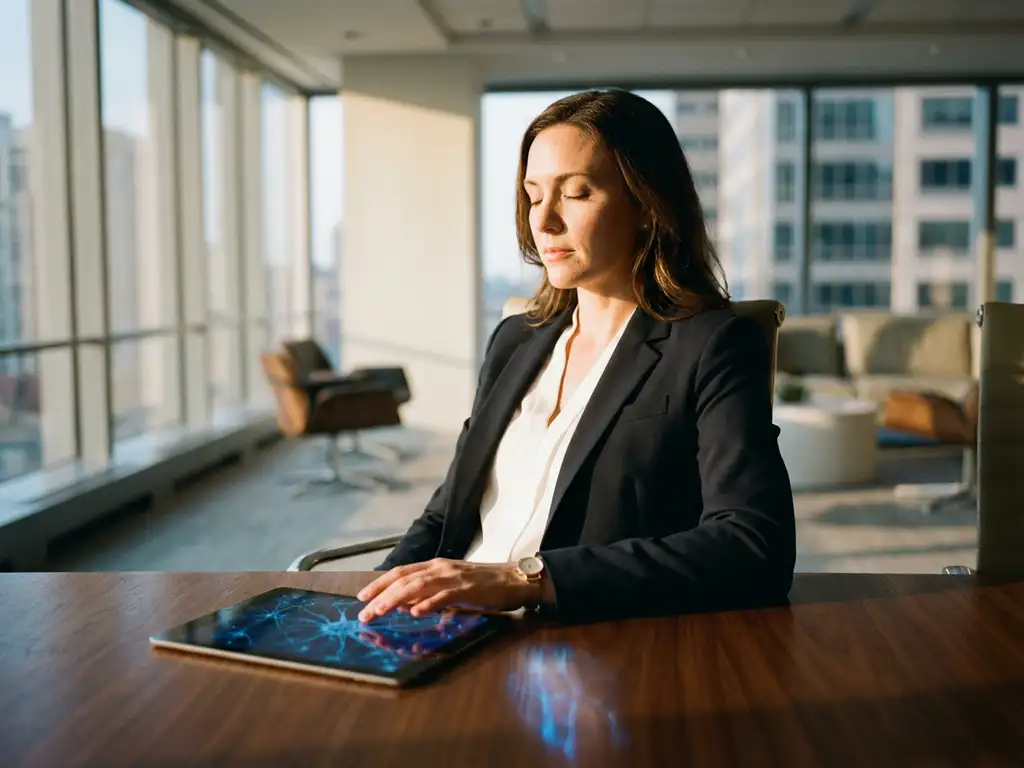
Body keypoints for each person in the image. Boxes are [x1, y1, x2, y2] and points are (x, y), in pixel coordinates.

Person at [356, 89, 795, 624]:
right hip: (448, 630)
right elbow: (447, 514)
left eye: (577, 193)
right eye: (534, 195)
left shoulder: (713, 344)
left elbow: (754, 546)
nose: (544, 222)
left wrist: (522, 580)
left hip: (581, 647)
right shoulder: (515, 340)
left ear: (647, 207)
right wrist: (366, 608)